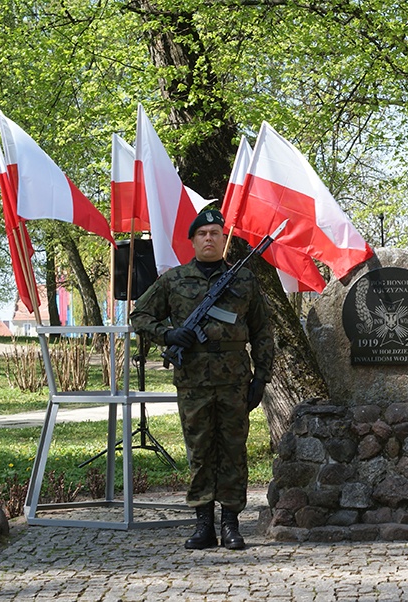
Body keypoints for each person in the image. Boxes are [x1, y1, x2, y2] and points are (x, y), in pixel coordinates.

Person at [131, 208, 274, 551]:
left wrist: (261, 379)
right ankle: (203, 525)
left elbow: (263, 332)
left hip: (235, 382)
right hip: (193, 382)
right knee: (199, 451)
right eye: (202, 234)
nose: (209, 238)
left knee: (233, 451)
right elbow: (140, 315)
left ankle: (231, 524)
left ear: (223, 240)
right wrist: (169, 334)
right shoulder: (174, 280)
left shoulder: (244, 280)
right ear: (192, 241)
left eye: (215, 233)